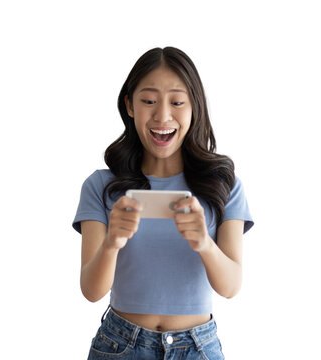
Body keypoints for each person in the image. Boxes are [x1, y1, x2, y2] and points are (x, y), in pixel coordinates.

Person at [72, 46, 254, 360]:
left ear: (194, 106)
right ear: (129, 105)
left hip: (197, 349)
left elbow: (231, 286)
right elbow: (91, 291)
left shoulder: (224, 185)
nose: (162, 116)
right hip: (120, 346)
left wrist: (204, 244)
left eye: (177, 102)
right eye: (148, 101)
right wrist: (113, 242)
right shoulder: (101, 186)